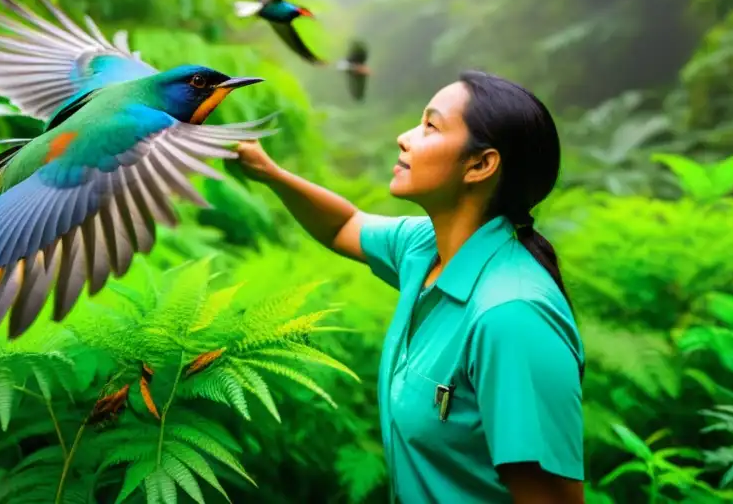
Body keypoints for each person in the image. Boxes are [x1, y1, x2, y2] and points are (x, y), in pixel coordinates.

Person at [234, 70, 585, 504]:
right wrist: (268, 172)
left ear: (481, 164)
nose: (405, 137)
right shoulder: (426, 248)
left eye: (430, 126)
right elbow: (345, 224)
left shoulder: (510, 315)